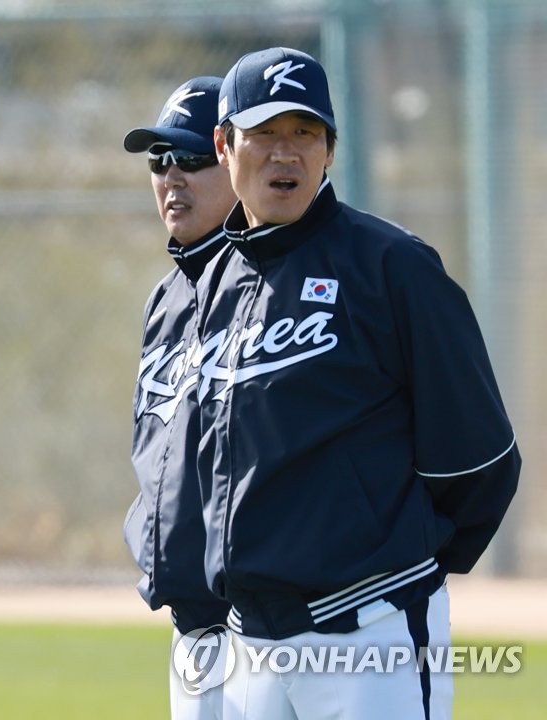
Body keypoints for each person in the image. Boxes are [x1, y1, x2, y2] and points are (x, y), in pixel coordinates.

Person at [195, 47, 520, 719]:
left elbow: (481, 456)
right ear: (225, 145)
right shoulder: (218, 282)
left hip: (370, 633)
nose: (287, 153)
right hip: (250, 639)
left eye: (305, 133)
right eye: (265, 133)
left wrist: (402, 562)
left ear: (330, 151)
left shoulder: (391, 265)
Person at [122, 76, 238, 720]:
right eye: (159, 161)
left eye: (191, 158)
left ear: (232, 158)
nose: (172, 176)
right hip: (191, 624)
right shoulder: (165, 300)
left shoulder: (272, 285)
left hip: (260, 625)